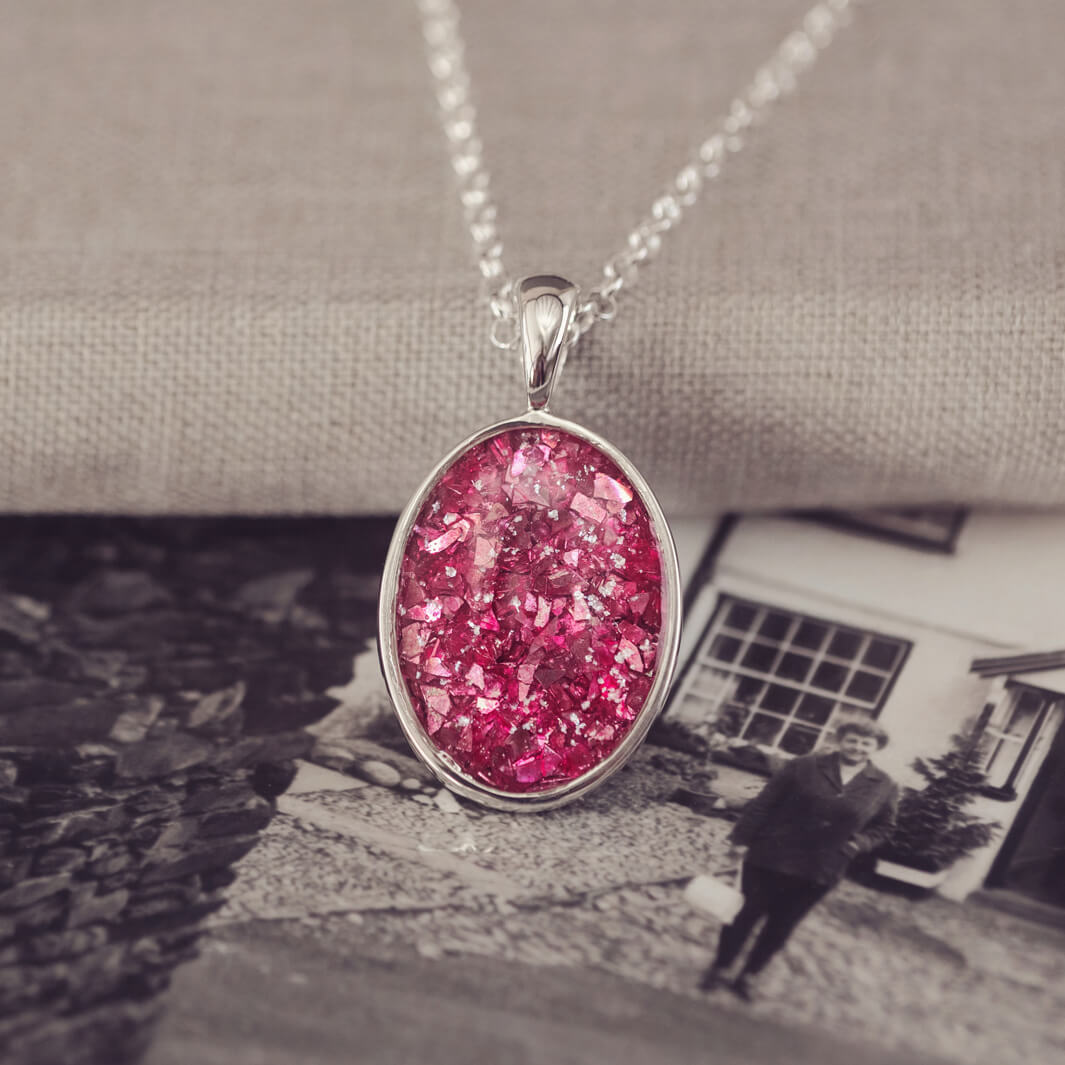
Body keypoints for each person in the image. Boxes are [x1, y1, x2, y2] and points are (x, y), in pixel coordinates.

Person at [699, 715, 899, 1001]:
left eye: (866, 743)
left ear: (876, 747)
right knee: (744, 915)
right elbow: (764, 802)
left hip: (823, 866)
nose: (857, 747)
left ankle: (750, 975)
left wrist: (858, 844)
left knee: (782, 924)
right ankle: (720, 967)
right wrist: (741, 840)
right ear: (840, 740)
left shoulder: (884, 785)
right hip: (772, 855)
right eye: (851, 740)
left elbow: (885, 827)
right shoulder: (805, 766)